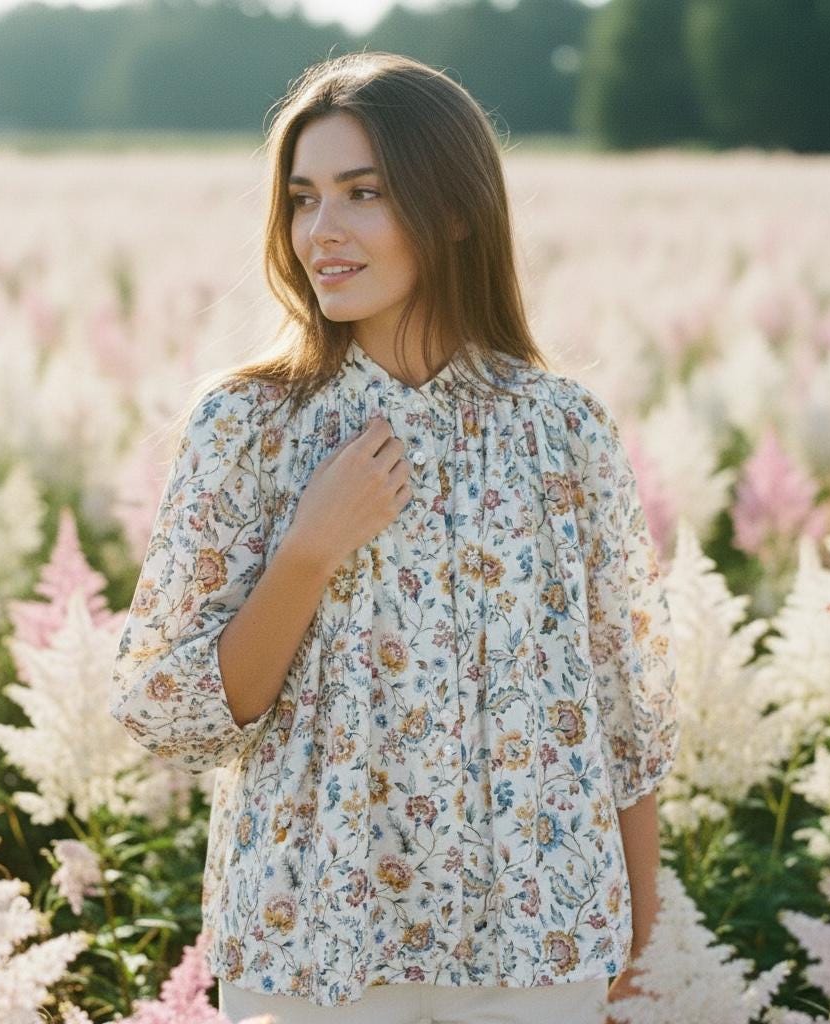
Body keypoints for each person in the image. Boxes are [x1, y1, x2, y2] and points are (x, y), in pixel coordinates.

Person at [110, 51, 679, 1024]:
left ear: (452, 209)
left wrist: (643, 928)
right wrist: (307, 550)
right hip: (315, 938)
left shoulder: (561, 427)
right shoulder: (245, 426)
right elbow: (178, 709)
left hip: (539, 936)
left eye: (360, 194)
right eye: (301, 199)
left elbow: (623, 703)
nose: (319, 232)